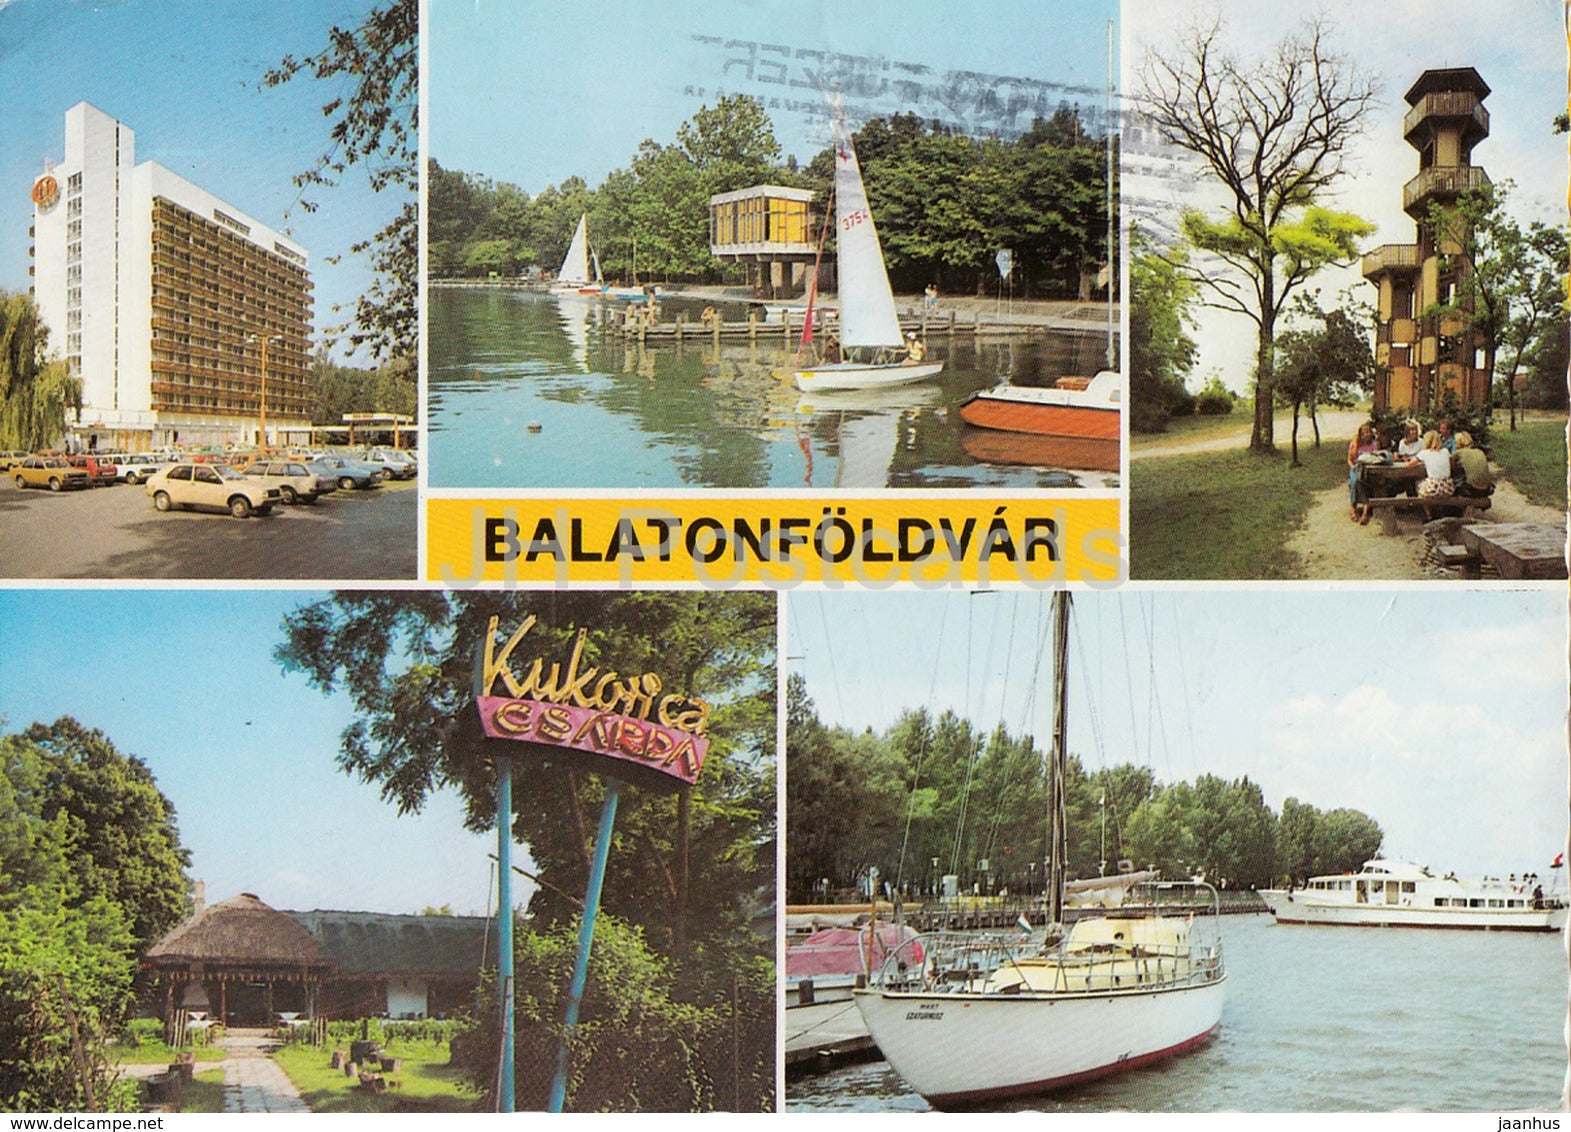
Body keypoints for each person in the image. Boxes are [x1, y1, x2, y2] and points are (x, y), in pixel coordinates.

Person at [1346, 422, 1379, 523]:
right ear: (1360, 434)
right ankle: (1353, 509)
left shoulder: (1374, 444)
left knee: (1366, 483)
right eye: (1364, 433)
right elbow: (1350, 459)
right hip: (1356, 468)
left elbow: (1376, 457)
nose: (1367, 434)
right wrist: (1353, 468)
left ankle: (1365, 513)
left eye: (1369, 432)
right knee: (1354, 481)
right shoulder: (1354, 444)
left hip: (1370, 470)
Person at [1409, 430, 1454, 498]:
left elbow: (1409, 465)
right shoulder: (1445, 451)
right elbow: (1451, 462)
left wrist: (1421, 463)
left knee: (1418, 484)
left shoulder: (1424, 453)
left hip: (1434, 486)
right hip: (1448, 487)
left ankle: (1425, 508)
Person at [1452, 431, 1493, 498]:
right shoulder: (1479, 451)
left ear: (1459, 443)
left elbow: (1451, 467)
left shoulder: (1458, 452)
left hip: (1472, 489)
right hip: (1486, 489)